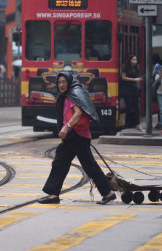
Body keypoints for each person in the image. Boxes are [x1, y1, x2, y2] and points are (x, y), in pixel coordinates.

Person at [39, 71, 117, 205]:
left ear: (69, 82)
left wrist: (66, 127)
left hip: (78, 136)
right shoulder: (68, 95)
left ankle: (108, 193)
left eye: (64, 82)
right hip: (72, 137)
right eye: (59, 83)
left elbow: (79, 113)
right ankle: (53, 194)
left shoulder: (72, 95)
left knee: (89, 165)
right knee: (60, 162)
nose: (62, 85)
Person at [120, 54, 143, 131]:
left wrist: (139, 79)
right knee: (129, 106)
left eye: (136, 59)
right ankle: (128, 124)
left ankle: (137, 124)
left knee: (136, 106)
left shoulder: (136, 68)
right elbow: (123, 77)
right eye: (133, 59)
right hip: (127, 89)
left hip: (134, 88)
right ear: (129, 60)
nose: (135, 61)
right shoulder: (125, 67)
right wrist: (134, 80)